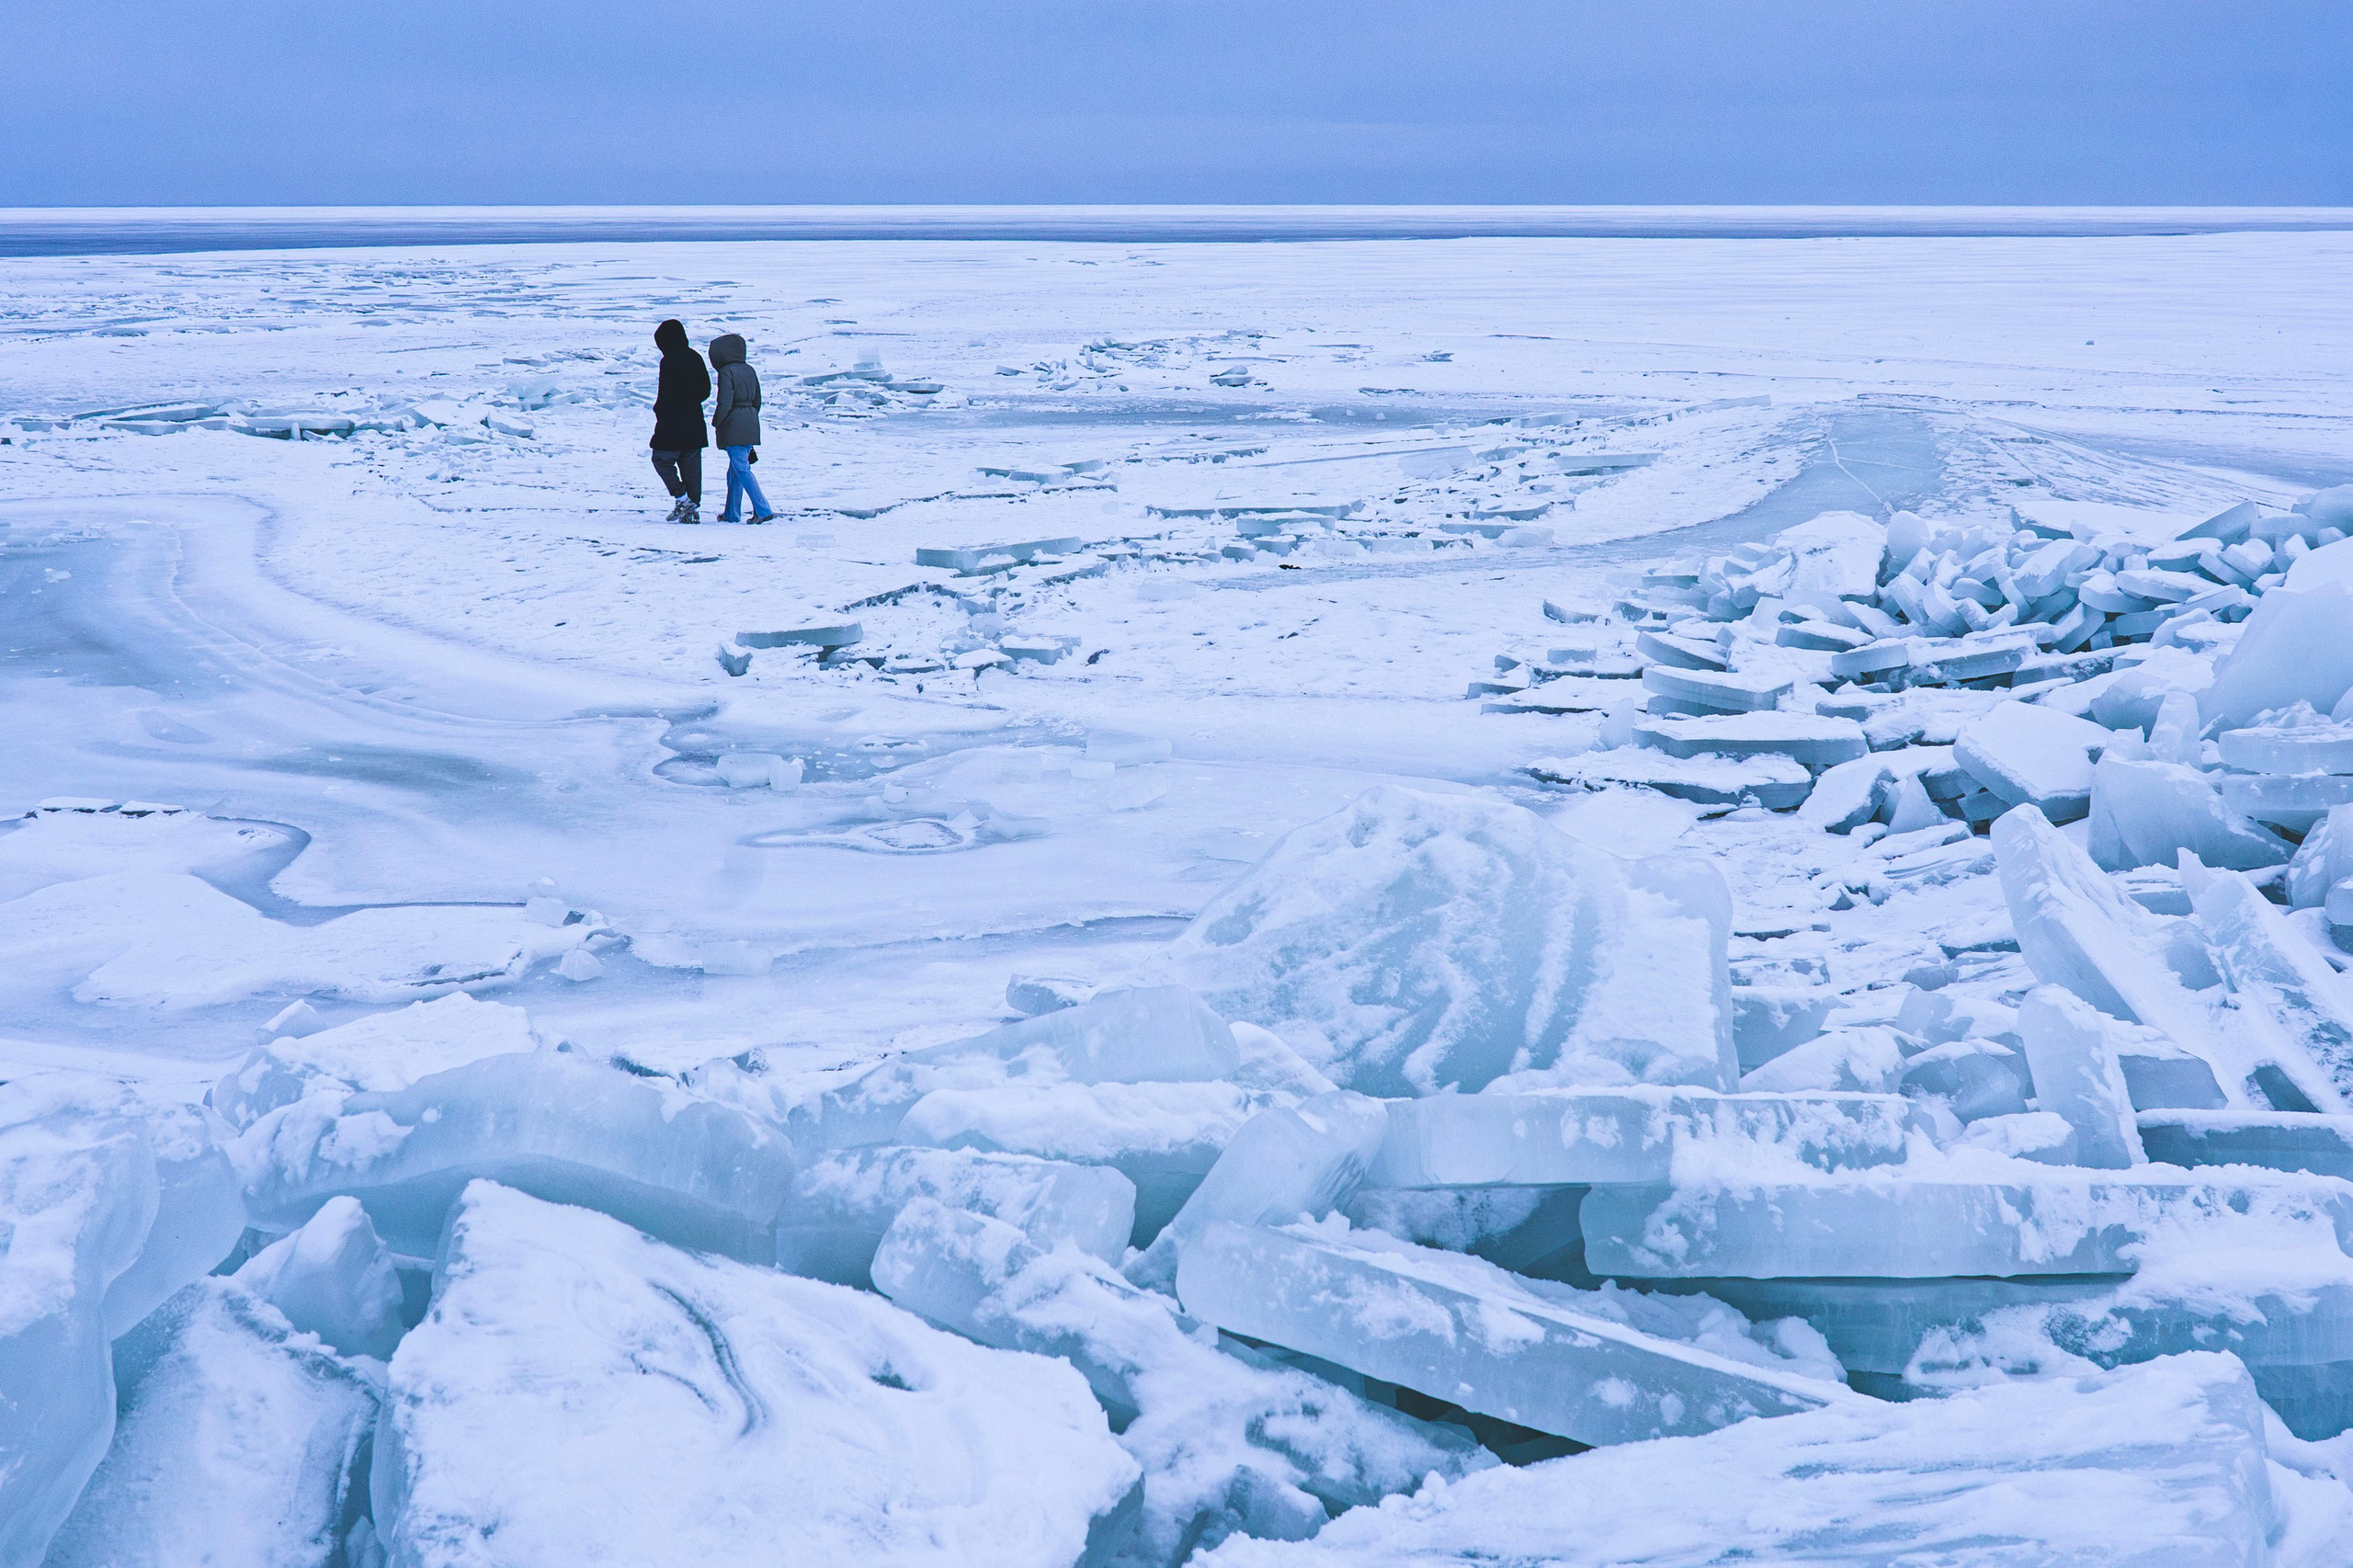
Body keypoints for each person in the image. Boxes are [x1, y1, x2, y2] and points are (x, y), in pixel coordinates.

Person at [709, 332, 776, 524]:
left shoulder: (726, 372)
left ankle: (763, 510)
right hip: (751, 421)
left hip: (733, 424)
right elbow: (757, 400)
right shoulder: (749, 370)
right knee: (735, 471)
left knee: (742, 469)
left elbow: (725, 402)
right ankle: (731, 513)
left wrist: (717, 422)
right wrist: (749, 416)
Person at [647, 319, 710, 524]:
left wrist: (661, 411)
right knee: (691, 465)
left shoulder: (669, 361)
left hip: (672, 422)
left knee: (661, 459)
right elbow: (705, 390)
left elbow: (666, 394)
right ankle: (691, 509)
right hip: (694, 420)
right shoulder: (695, 357)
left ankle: (682, 499)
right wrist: (691, 401)